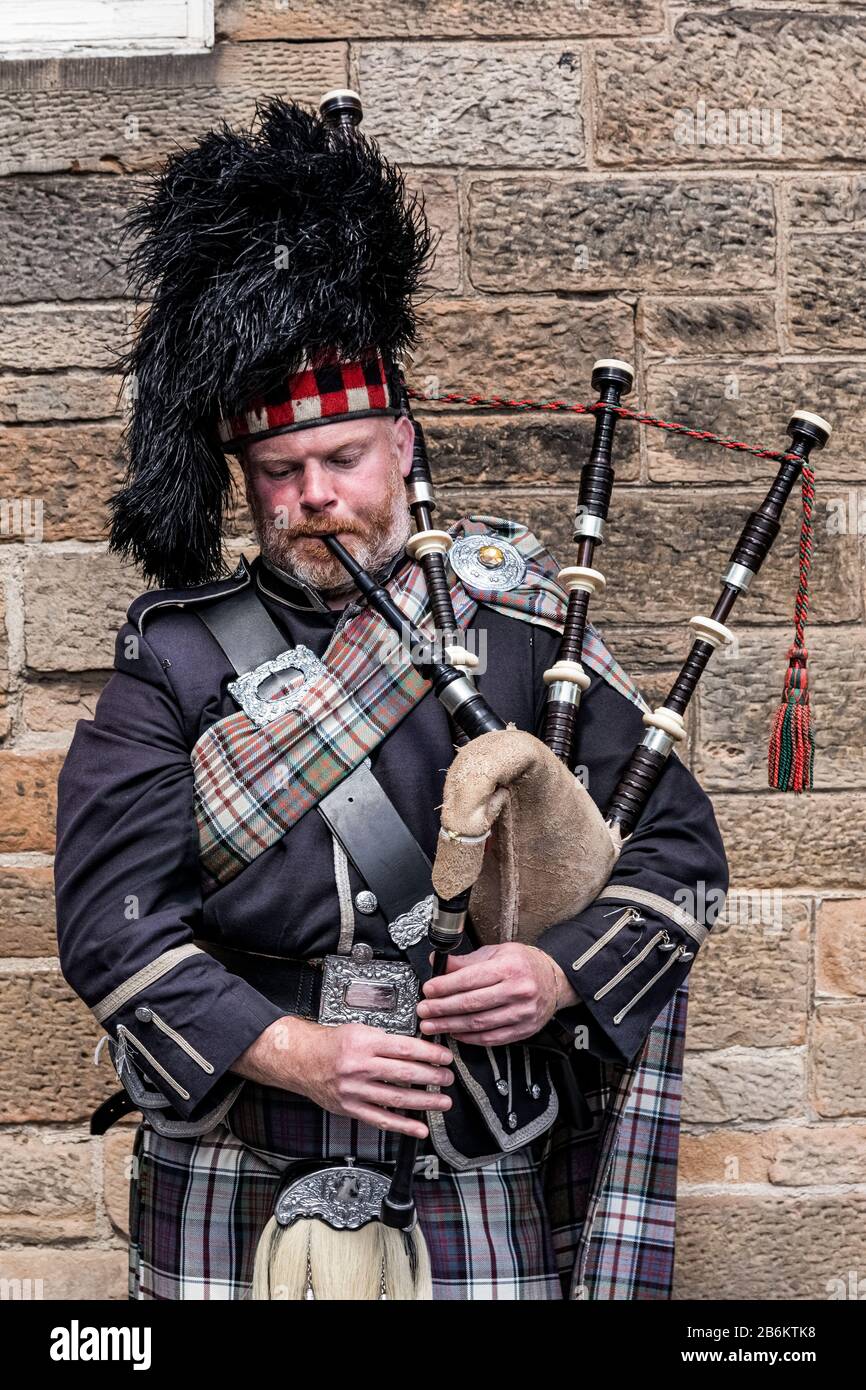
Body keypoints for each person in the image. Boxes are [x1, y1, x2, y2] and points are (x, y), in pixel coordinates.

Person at [53, 93, 728, 1300]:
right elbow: (111, 921)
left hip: (467, 1142)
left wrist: (558, 971)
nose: (314, 495)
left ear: (403, 447)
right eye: (279, 470)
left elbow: (678, 855)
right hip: (237, 1138)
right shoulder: (174, 661)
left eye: (343, 458)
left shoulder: (518, 629)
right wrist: (297, 1051)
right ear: (246, 481)